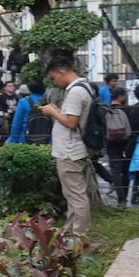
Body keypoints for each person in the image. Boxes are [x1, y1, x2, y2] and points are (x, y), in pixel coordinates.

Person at [39, 57, 96, 240]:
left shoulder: (75, 92)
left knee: (76, 196)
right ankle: (71, 230)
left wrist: (52, 111)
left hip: (69, 150)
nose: (55, 82)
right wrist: (58, 110)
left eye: (54, 78)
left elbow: (71, 122)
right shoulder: (85, 87)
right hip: (75, 148)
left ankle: (79, 235)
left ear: (62, 72)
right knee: (72, 194)